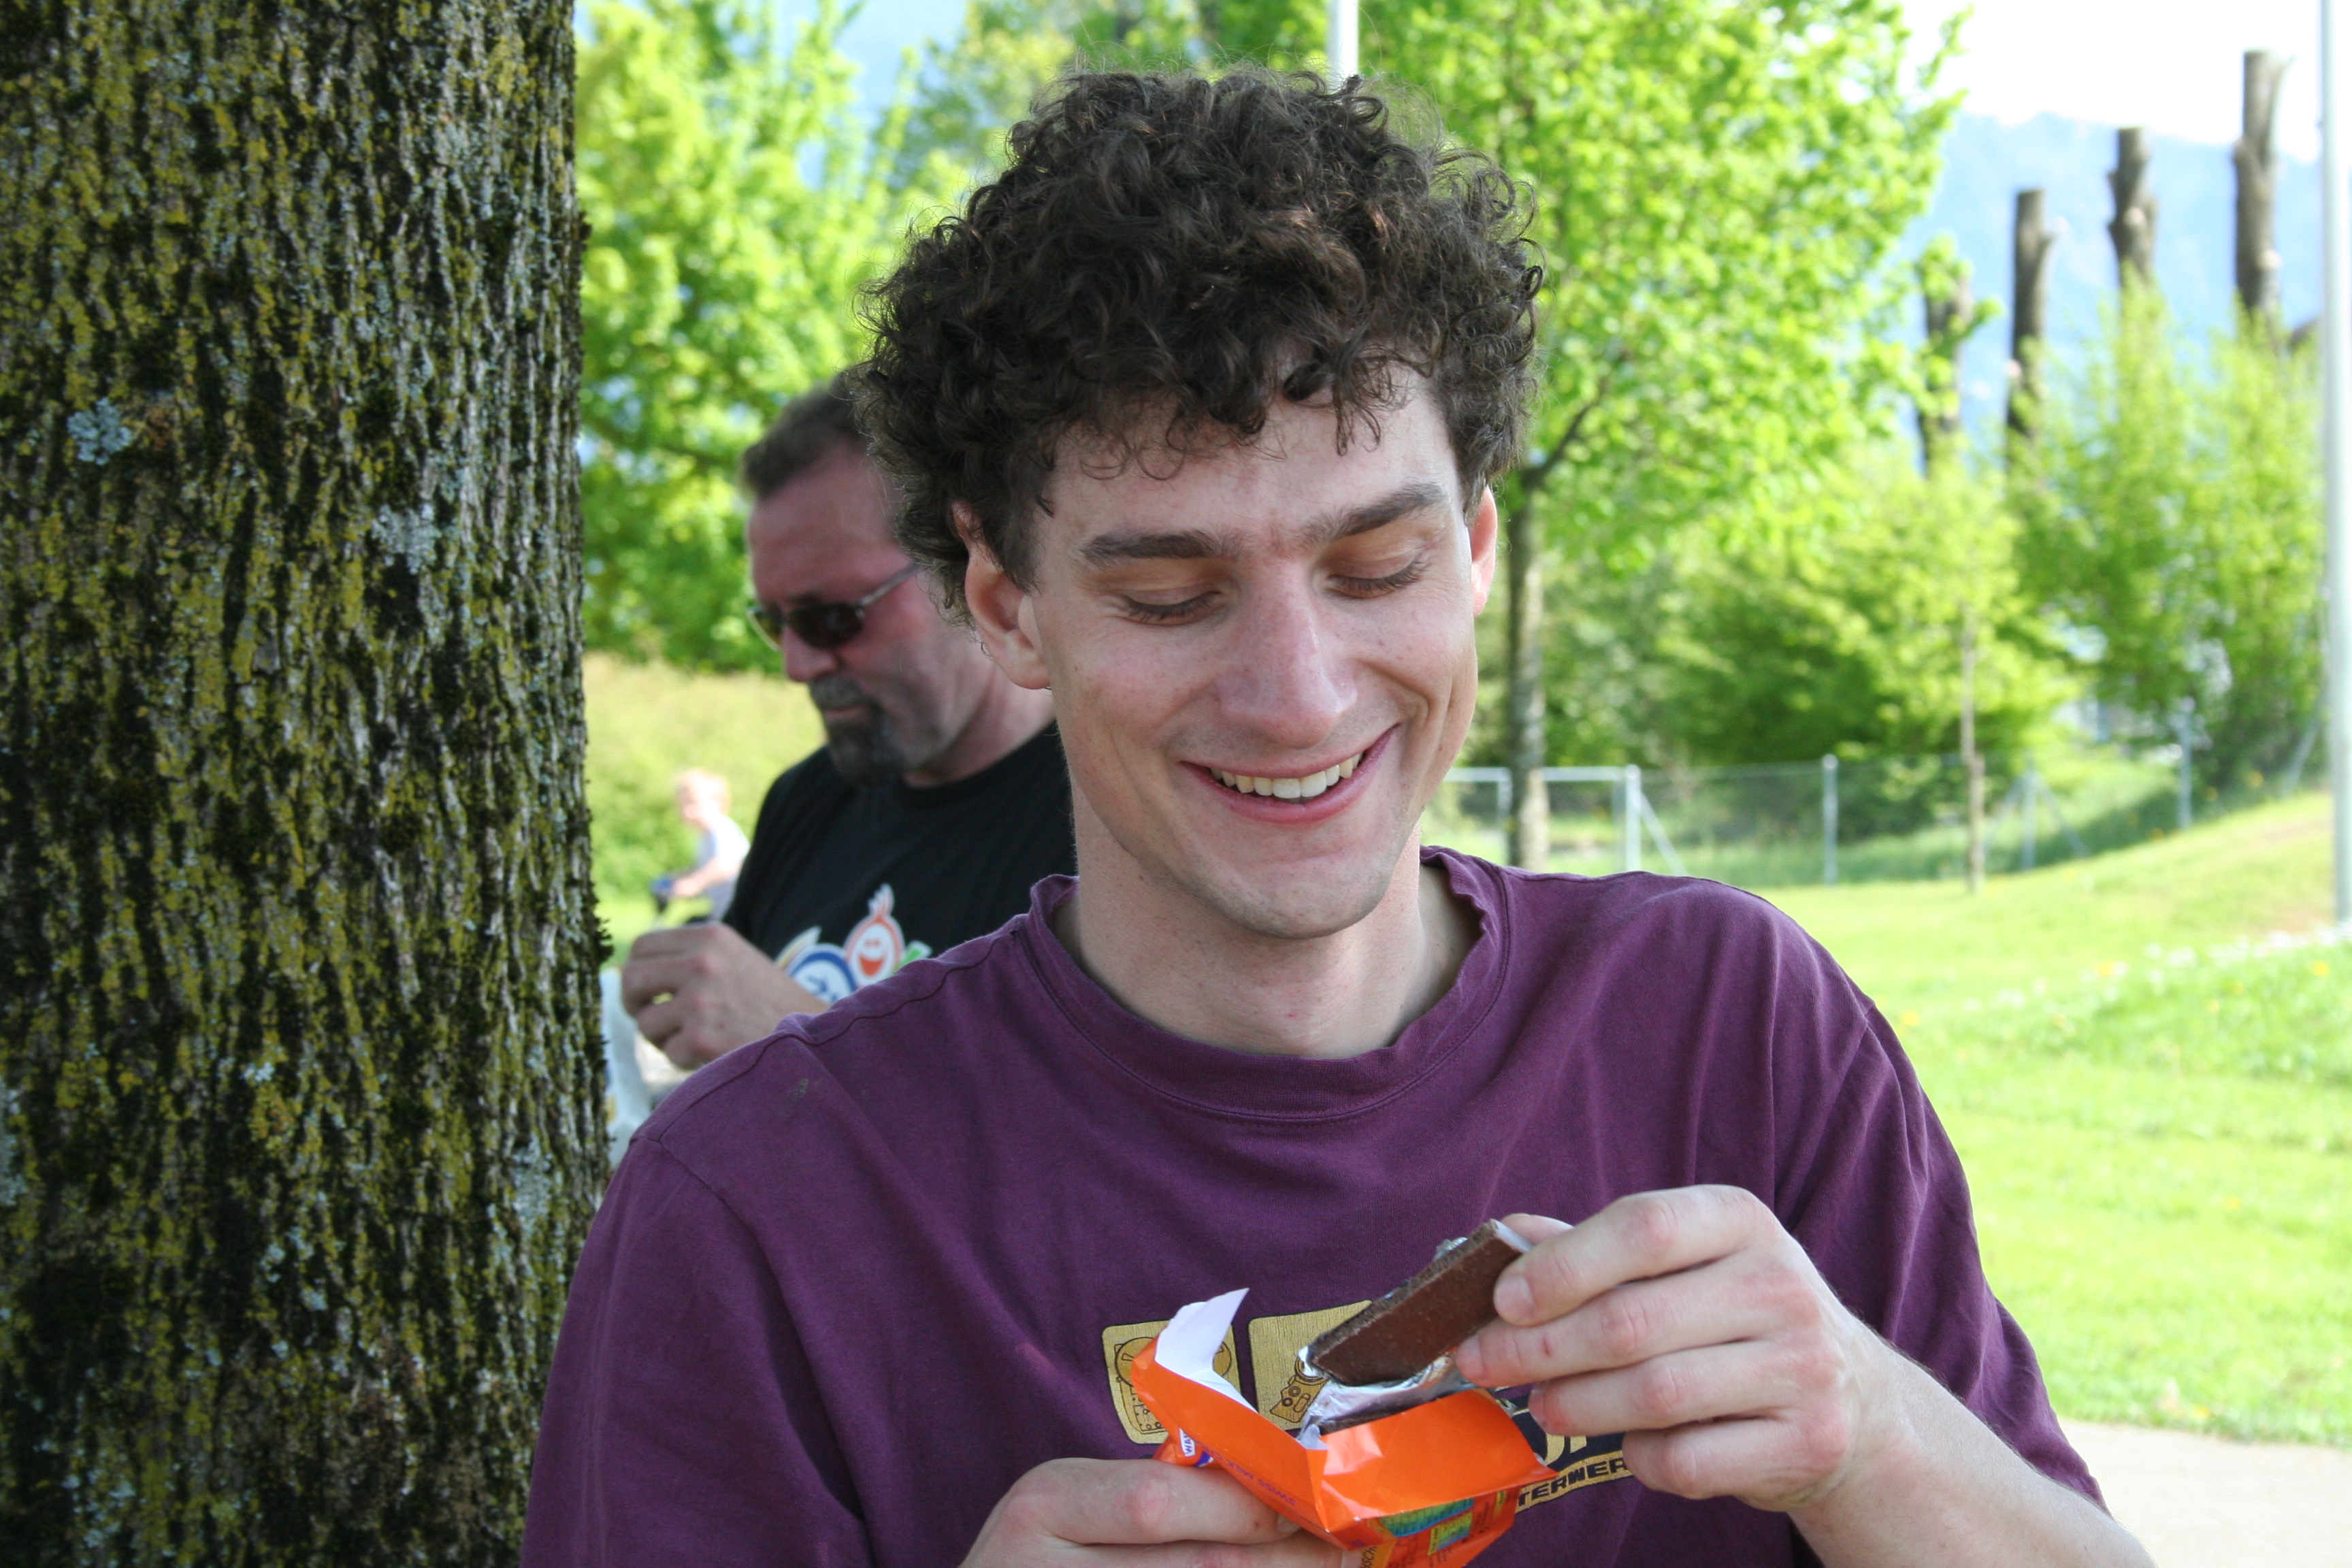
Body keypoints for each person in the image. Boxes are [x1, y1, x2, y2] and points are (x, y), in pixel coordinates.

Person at [525, 71, 2153, 1568]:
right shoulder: (756, 1208)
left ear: (1476, 551)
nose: (1297, 696)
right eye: (1170, 595)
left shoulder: (1731, 1029)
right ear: (1007, 605)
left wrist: (1866, 1429)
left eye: (1377, 567)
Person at [617, 375, 1072, 1068]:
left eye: (832, 618)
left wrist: (801, 1041)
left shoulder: (1108, 826)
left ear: (979, 575)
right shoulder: (808, 801)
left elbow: (1088, 1133)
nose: (798, 665)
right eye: (775, 624)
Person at [650, 768, 750, 922]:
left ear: (718, 803)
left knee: (688, 930)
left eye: (693, 803)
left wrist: (695, 883)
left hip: (739, 914)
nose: (687, 811)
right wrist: (677, 878)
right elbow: (702, 867)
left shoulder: (722, 828)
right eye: (682, 805)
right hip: (723, 912)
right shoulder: (705, 836)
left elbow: (727, 864)